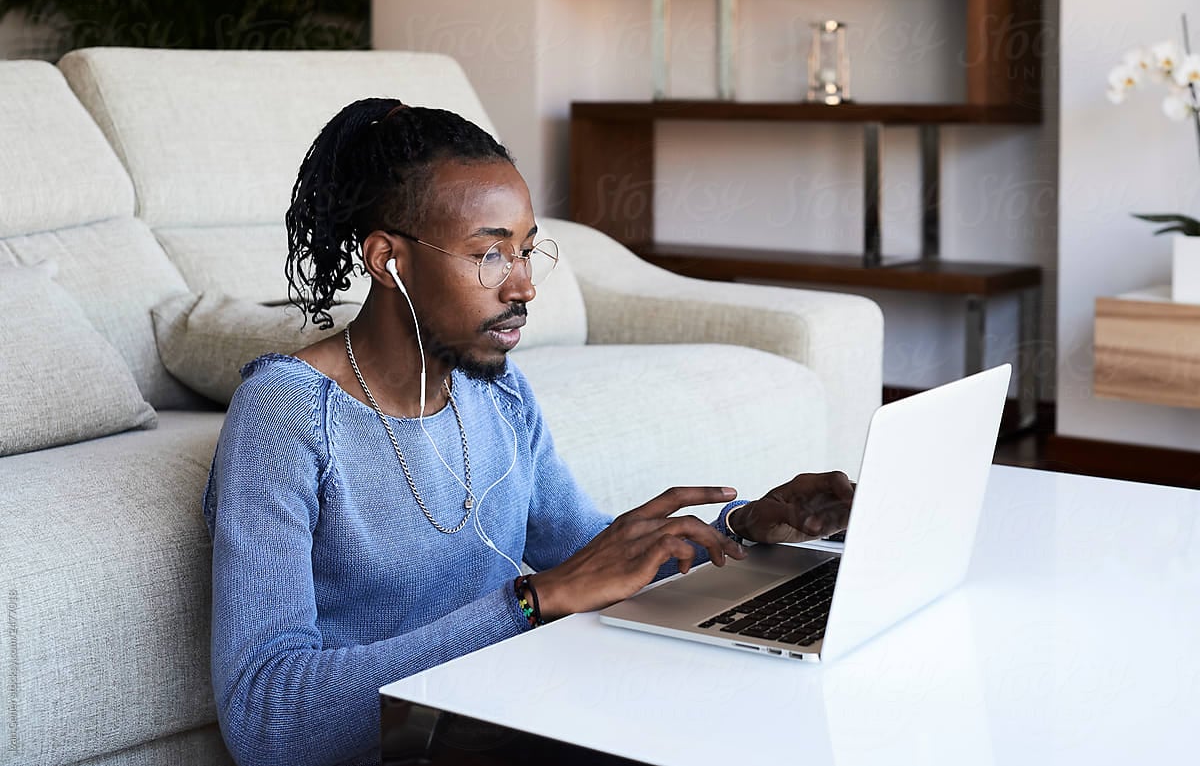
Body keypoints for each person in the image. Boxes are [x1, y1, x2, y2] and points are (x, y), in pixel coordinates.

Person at [203, 98, 855, 766]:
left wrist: (741, 528)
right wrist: (532, 601)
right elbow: (267, 720)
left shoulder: (496, 389)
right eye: (489, 254)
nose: (523, 287)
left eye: (525, 250)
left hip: (511, 715)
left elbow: (586, 552)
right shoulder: (284, 417)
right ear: (386, 259)